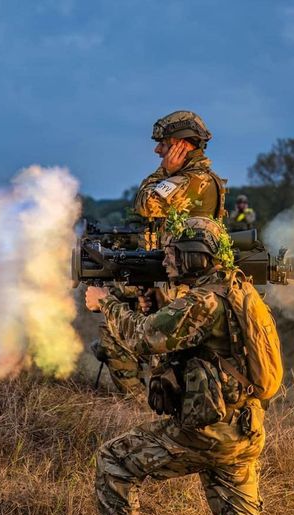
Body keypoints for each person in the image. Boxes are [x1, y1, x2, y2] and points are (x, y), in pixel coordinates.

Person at [84, 221, 291, 515]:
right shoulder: (237, 289)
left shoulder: (204, 300)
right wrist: (153, 301)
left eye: (176, 252)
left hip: (207, 433)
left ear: (198, 256)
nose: (168, 258)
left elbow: (146, 339)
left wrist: (107, 306)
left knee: (113, 462)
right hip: (242, 428)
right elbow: (187, 336)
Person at [95, 110, 229, 398]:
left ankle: (137, 404)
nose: (158, 150)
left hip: (185, 289)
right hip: (179, 281)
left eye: (164, 144)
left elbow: (146, 203)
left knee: (151, 346)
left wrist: (164, 173)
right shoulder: (191, 179)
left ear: (182, 145)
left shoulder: (193, 181)